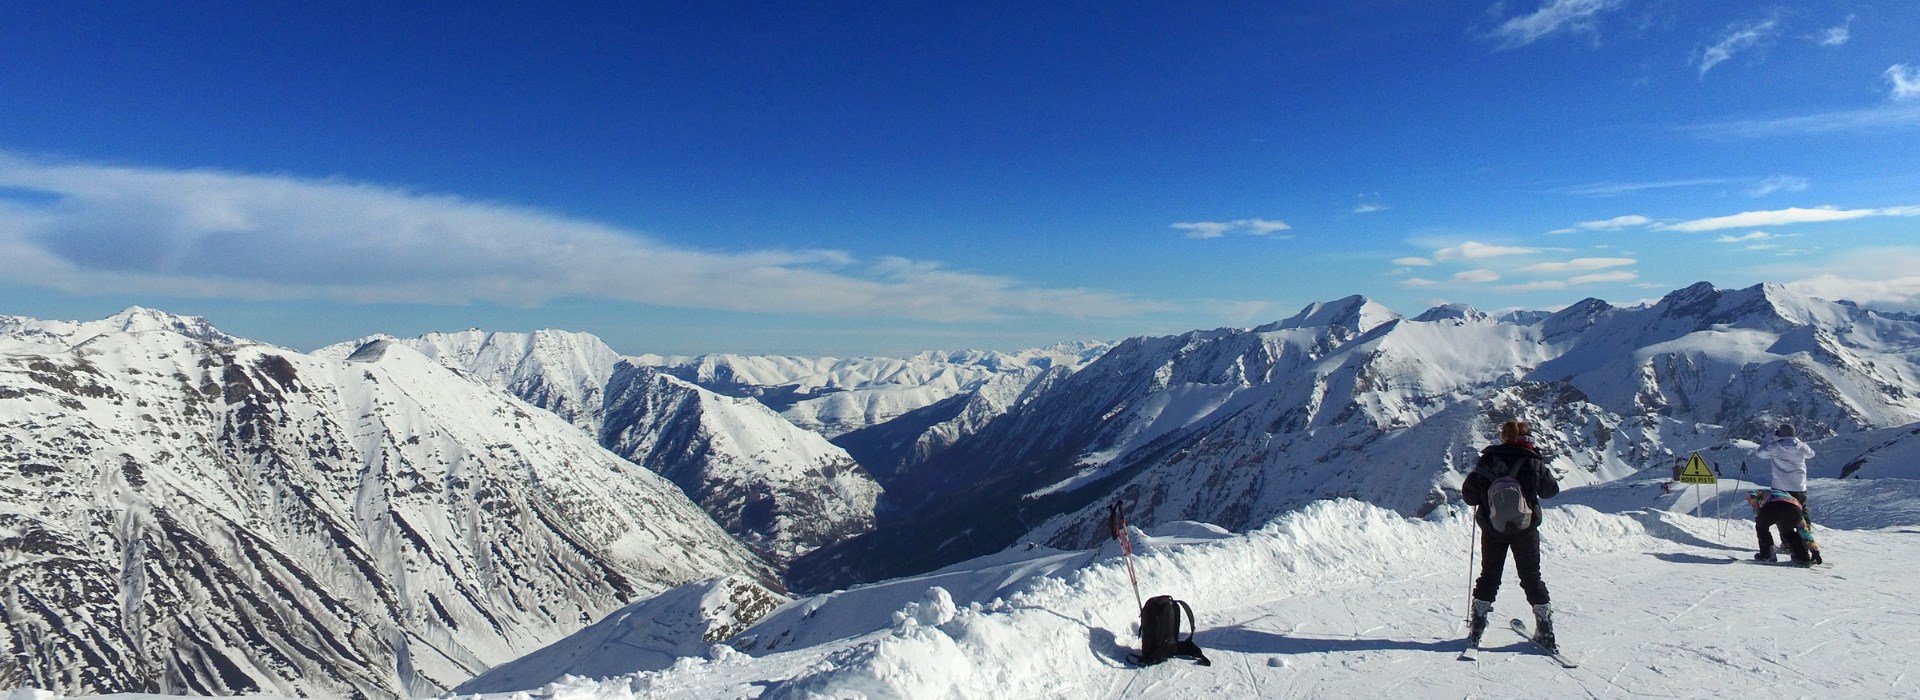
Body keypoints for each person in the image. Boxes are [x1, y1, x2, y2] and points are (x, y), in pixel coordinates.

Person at [1461, 419, 1562, 649]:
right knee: (1531, 577)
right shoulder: (1532, 461)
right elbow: (1551, 491)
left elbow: (1469, 495)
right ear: (1526, 438)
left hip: (1492, 528)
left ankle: (1477, 627)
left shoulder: (1489, 459)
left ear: (1504, 437)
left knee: (1489, 575)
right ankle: (1545, 631)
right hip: (1525, 529)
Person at [1746, 489, 1820, 566]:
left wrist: (1758, 510)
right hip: (1794, 510)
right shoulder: (1791, 499)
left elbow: (1751, 494)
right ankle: (1802, 557)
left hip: (1771, 506)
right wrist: (1815, 551)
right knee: (1788, 532)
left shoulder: (1764, 492)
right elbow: (1804, 532)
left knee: (1762, 528)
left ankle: (1767, 555)